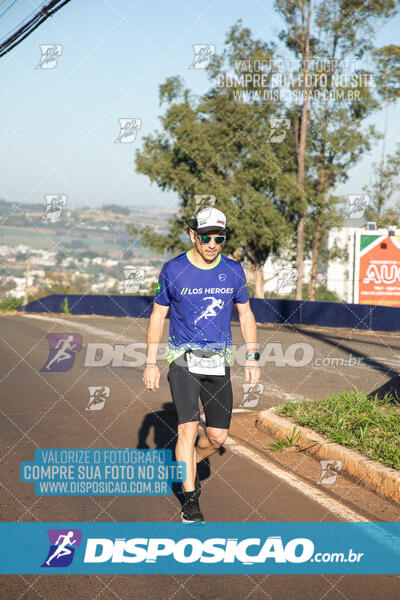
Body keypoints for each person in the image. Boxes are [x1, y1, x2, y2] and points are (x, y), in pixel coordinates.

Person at [142, 207, 260, 522]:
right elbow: (158, 315)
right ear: (193, 234)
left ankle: (189, 460)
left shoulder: (234, 270)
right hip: (182, 357)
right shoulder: (173, 269)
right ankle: (190, 500)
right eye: (206, 237)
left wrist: (252, 356)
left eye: (219, 238)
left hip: (217, 359)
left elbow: (246, 314)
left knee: (218, 436)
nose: (212, 244)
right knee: (188, 427)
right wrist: (150, 362)